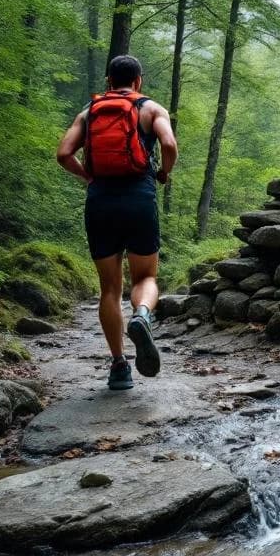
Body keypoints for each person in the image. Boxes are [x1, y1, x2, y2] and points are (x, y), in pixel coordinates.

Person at [55, 55, 178, 390]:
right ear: (138, 80)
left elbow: (63, 154)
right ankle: (141, 315)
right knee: (147, 276)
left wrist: (88, 178)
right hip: (139, 198)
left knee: (109, 288)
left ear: (109, 81)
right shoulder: (151, 109)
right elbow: (168, 144)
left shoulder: (89, 111)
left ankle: (119, 366)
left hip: (101, 203)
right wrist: (163, 172)